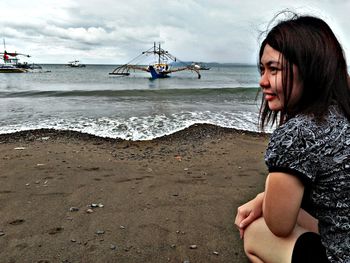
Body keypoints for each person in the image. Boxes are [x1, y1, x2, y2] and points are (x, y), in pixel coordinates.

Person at [234, 12, 350, 263]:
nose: (262, 81)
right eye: (262, 69)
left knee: (255, 232)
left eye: (273, 69)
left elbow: (279, 226)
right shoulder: (342, 112)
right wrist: (262, 199)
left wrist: (262, 201)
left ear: (310, 69)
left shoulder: (297, 133)